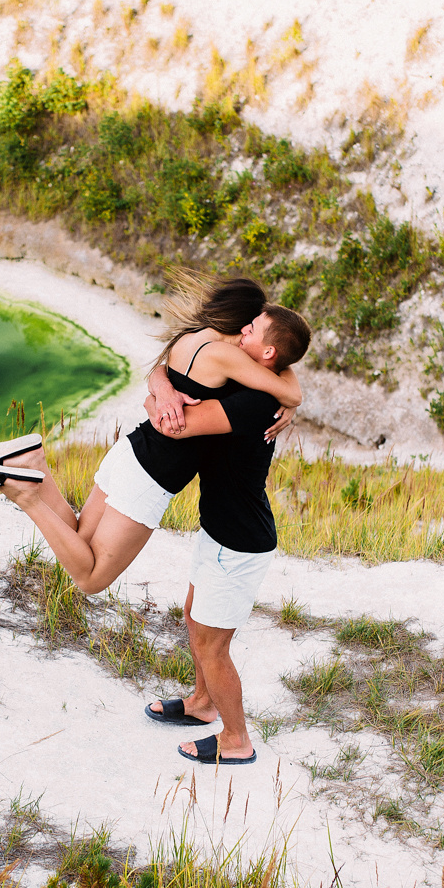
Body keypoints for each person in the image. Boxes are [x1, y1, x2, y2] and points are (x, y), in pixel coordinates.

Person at [0, 278, 305, 596]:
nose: (247, 331)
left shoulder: (189, 337)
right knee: (90, 578)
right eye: (250, 324)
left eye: (254, 328)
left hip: (130, 451)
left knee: (78, 538)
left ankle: (35, 465)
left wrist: (158, 390)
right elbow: (287, 390)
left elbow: (164, 374)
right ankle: (27, 496)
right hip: (152, 475)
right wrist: (287, 398)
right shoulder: (227, 355)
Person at [137, 305, 310, 766]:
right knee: (196, 618)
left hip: (240, 541)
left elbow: (173, 426)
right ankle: (201, 704)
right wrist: (160, 382)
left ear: (268, 352)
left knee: (213, 646)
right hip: (221, 529)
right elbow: (175, 366)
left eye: (250, 329)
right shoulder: (252, 382)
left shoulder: (255, 403)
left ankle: (237, 740)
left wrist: (159, 400)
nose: (240, 329)